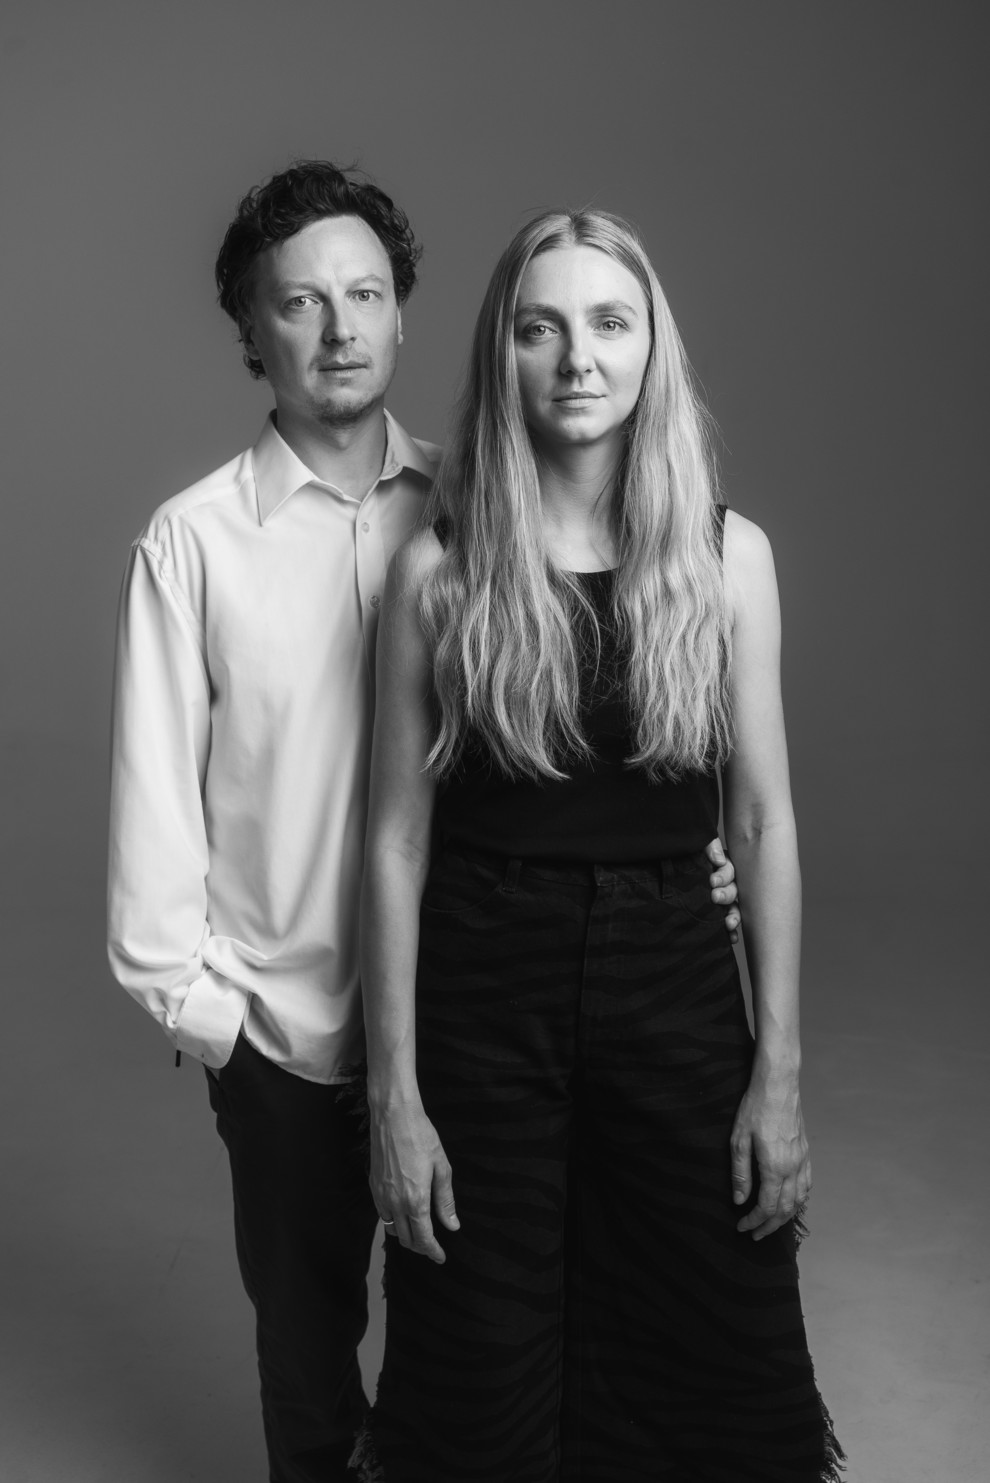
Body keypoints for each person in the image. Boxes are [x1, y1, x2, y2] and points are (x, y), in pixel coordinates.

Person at [106, 166, 742, 1483]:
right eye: (299, 303)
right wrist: (226, 1031)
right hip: (285, 1031)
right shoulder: (193, 544)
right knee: (310, 1355)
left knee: (484, 1347)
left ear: (404, 314)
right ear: (252, 329)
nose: (339, 329)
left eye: (364, 295)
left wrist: (687, 870)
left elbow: (604, 727)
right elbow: (150, 822)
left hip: (480, 1015)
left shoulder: (489, 509)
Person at [360, 209, 845, 1481]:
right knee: (473, 1357)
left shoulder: (730, 559)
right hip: (482, 986)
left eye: (609, 323)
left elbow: (762, 820)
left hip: (675, 978)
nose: (578, 357)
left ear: (650, 350)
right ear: (504, 353)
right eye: (543, 327)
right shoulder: (436, 574)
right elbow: (395, 842)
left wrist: (779, 1071)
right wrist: (395, 1097)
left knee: (713, 1343)